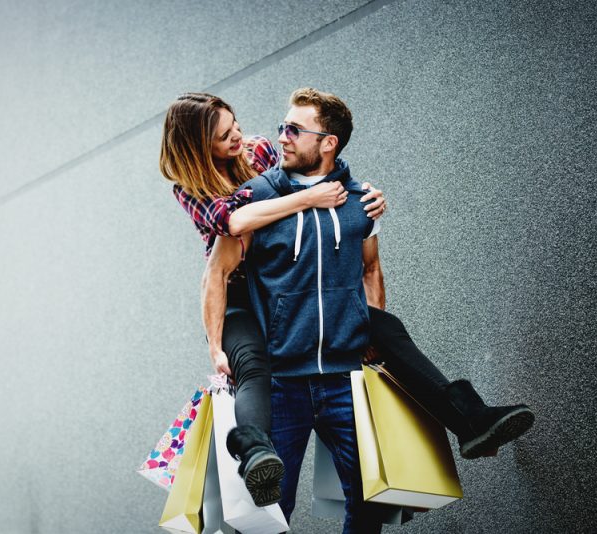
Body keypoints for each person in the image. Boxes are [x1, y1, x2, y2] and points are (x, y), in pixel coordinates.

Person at [200, 88, 535, 532]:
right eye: (283, 126)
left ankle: (470, 416)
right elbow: (217, 273)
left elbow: (371, 268)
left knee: (371, 503)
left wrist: (370, 330)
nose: (282, 137)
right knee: (266, 515)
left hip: (344, 381)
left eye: (294, 130)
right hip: (283, 383)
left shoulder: (362, 200)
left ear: (328, 142)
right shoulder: (256, 198)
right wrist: (216, 345)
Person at [160, 92, 387, 508]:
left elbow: (302, 178)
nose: (239, 138)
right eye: (225, 136)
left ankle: (465, 413)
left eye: (236, 126)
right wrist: (214, 344)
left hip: (280, 281)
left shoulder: (260, 149)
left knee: (389, 333)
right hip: (240, 290)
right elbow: (231, 222)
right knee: (252, 366)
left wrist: (359, 194)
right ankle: (254, 452)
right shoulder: (189, 187)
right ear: (198, 148)